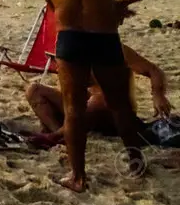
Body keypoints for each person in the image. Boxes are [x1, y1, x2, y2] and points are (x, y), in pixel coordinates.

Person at [38, 0, 153, 192]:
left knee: (73, 109)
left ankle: (77, 177)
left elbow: (53, 8)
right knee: (120, 104)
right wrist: (120, 3)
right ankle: (136, 162)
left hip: (70, 39)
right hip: (104, 36)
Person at [26, 44, 171, 146]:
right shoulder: (73, 49)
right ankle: (58, 134)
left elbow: (153, 70)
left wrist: (158, 95)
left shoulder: (116, 49)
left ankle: (57, 135)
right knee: (34, 90)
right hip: (83, 109)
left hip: (113, 112)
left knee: (99, 100)